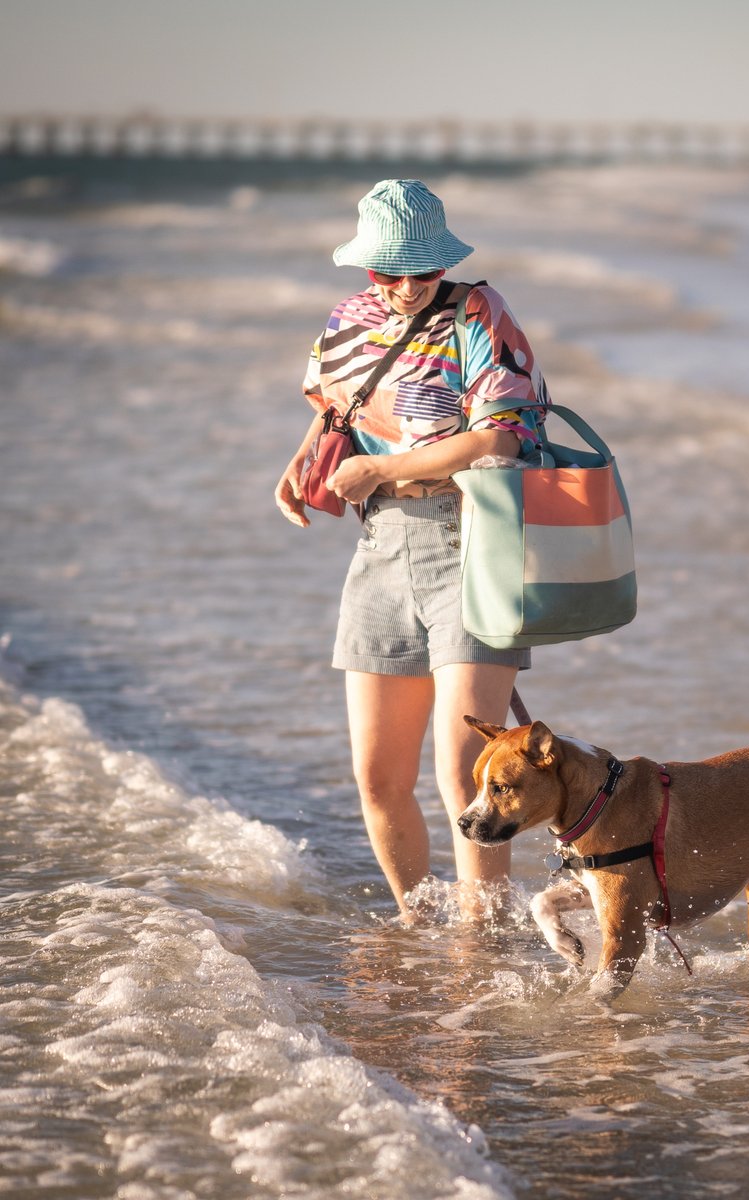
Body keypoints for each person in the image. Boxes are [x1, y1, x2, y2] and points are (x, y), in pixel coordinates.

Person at [274, 179, 550, 921]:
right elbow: (336, 407)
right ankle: (420, 926)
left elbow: (503, 436)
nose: (403, 287)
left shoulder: (479, 313)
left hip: (470, 541)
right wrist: (302, 463)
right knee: (376, 776)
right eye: (388, 272)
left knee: (464, 772)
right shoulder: (347, 318)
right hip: (379, 549)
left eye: (419, 271)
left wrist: (385, 467)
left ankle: (480, 942)